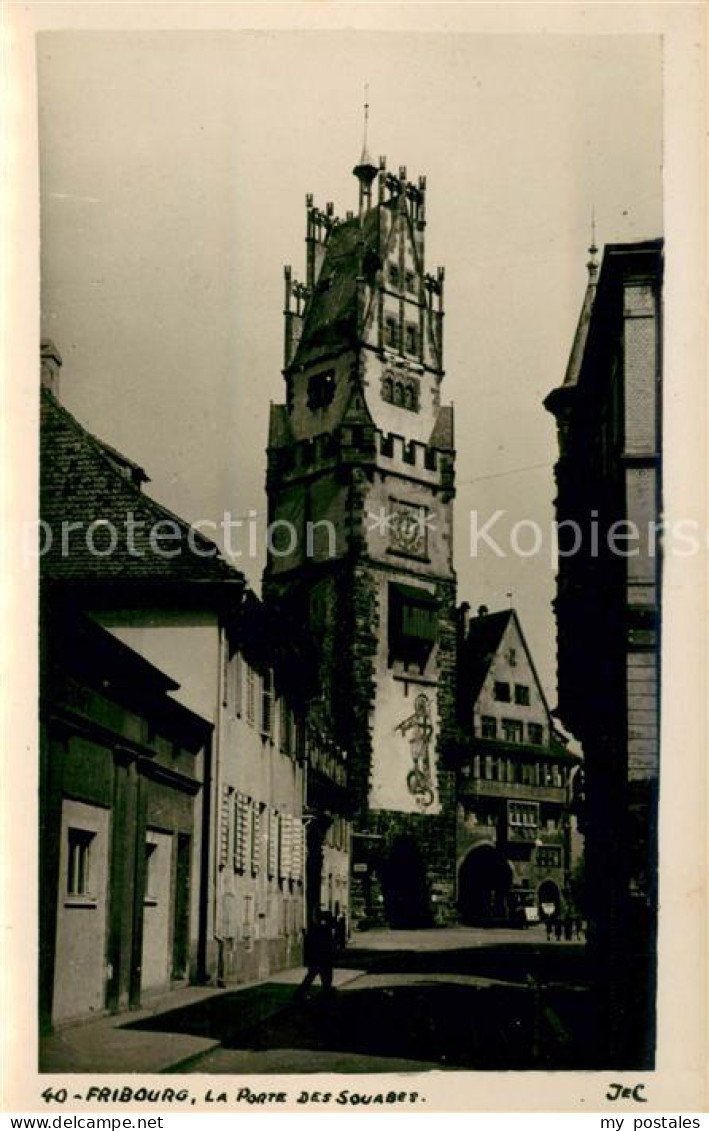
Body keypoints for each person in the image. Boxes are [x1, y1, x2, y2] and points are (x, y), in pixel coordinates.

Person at [296, 911, 336, 1000]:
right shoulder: (324, 931)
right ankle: (301, 993)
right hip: (322, 959)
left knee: (313, 977)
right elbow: (328, 945)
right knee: (320, 978)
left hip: (319, 959)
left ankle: (302, 993)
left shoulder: (318, 930)